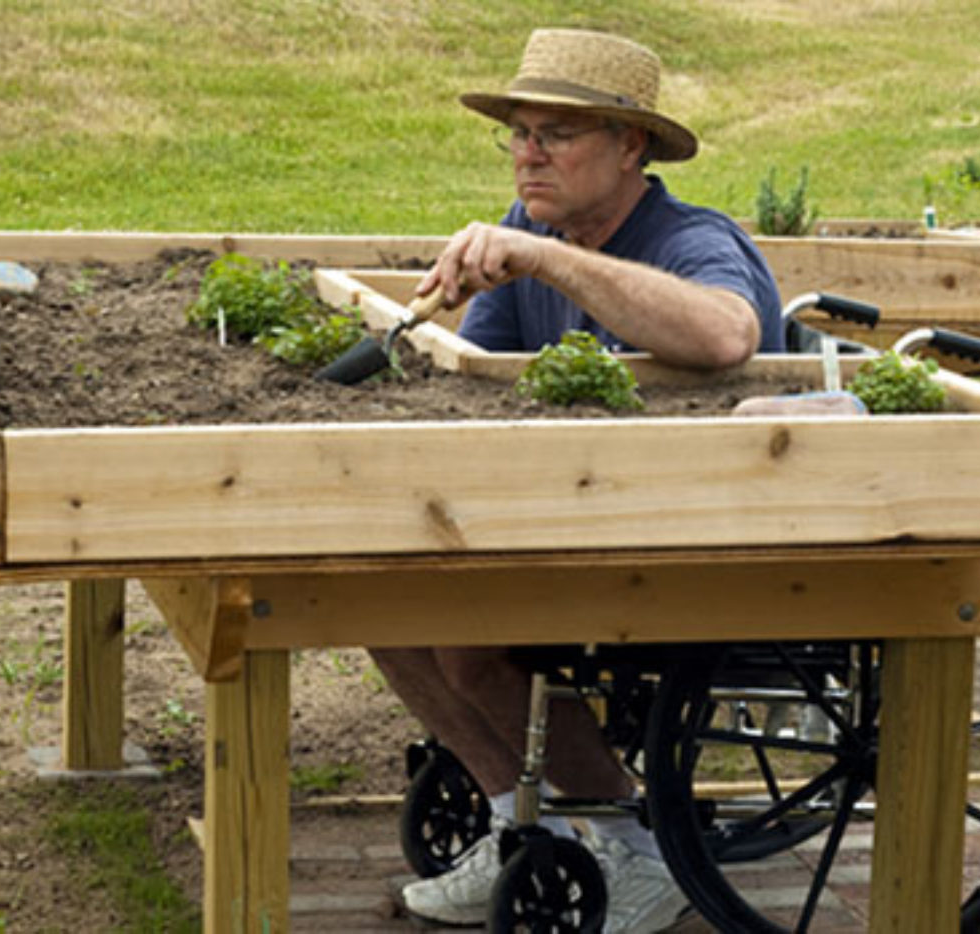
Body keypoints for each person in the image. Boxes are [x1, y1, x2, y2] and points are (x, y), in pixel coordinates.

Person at [375, 28, 784, 931]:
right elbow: (470, 384)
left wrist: (546, 260)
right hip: (587, 518)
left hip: (711, 536)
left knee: (471, 642)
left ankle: (642, 843)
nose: (528, 154)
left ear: (631, 145)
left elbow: (725, 336)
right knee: (376, 604)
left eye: (555, 133)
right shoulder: (533, 234)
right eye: (519, 133)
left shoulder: (691, 241)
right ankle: (528, 824)